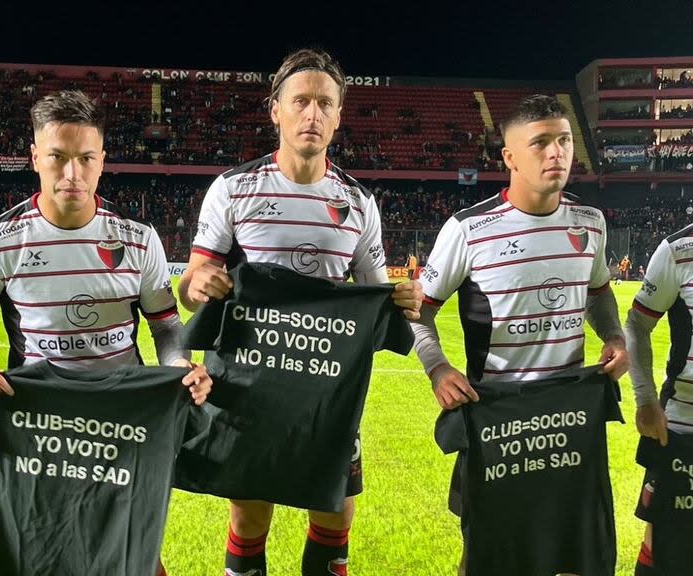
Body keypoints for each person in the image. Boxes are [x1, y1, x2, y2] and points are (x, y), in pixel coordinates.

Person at [0, 90, 212, 576]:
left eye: (85, 158)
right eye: (57, 158)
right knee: (46, 555)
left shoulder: (137, 238)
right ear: (34, 159)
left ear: (102, 160)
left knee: (134, 552)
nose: (72, 174)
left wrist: (176, 366)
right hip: (41, 425)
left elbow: (168, 328)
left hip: (122, 421)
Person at [178, 48, 423, 576]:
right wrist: (200, 282)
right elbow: (189, 283)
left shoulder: (358, 202)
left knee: (335, 512)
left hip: (327, 387)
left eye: (325, 104)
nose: (312, 114)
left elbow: (375, 295)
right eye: (301, 101)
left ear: (338, 115)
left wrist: (403, 301)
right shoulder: (234, 189)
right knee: (249, 513)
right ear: (276, 110)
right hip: (248, 381)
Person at [410, 94, 629, 574]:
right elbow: (417, 312)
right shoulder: (468, 231)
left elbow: (598, 293)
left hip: (570, 419)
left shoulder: (589, 224)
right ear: (509, 157)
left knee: (575, 552)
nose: (557, 153)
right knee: (490, 557)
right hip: (499, 422)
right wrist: (438, 368)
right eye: (541, 143)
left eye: (565, 140)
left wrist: (614, 336)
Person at [625, 225, 693, 575]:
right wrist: (646, 398)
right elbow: (636, 325)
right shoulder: (679, 250)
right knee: (666, 545)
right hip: (682, 428)